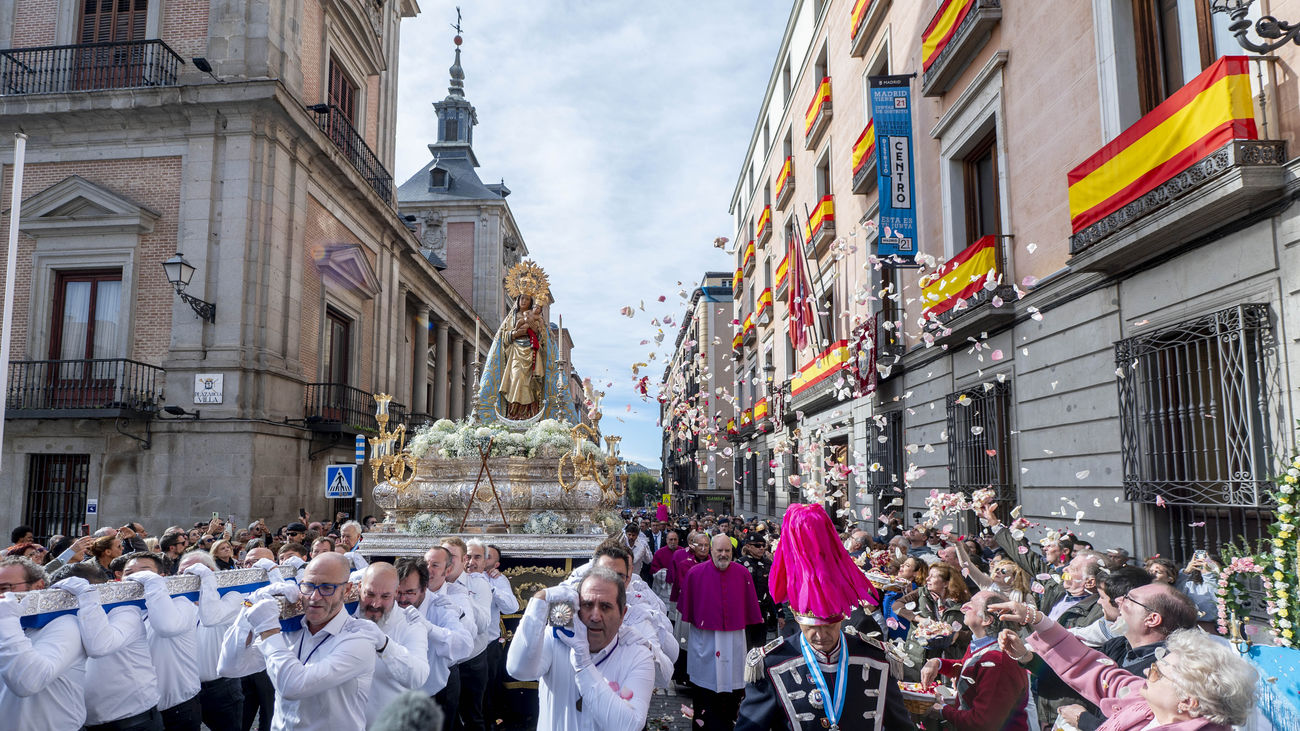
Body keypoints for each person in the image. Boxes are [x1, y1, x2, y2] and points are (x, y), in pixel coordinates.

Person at [736, 503, 909, 731]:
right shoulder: (771, 663)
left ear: (841, 619)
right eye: (811, 628)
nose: (820, 636)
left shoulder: (876, 657)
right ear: (798, 619)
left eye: (829, 627)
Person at [993, 601, 1258, 731]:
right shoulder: (1147, 706)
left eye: (1158, 672)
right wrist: (1037, 619)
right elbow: (1096, 671)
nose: (1147, 671)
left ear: (1188, 701)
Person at [219, 552, 376, 730]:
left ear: (347, 589)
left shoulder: (358, 638)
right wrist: (250, 604)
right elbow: (229, 667)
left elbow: (293, 687)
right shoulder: (292, 628)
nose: (314, 597)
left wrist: (268, 629)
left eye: (327, 588)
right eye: (308, 586)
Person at [506, 567, 655, 729]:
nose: (595, 616)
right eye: (587, 605)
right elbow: (518, 670)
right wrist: (539, 601)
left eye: (605, 607)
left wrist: (583, 664)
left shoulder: (638, 655)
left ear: (622, 614)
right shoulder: (556, 639)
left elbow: (629, 726)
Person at [54, 559, 164, 730]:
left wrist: (86, 595)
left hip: (133, 721)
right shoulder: (66, 618)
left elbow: (100, 646)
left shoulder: (125, 611)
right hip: (87, 722)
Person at [678, 533, 763, 730]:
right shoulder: (695, 573)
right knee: (705, 697)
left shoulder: (743, 574)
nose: (723, 554)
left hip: (734, 642)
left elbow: (751, 612)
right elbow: (686, 610)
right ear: (711, 550)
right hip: (705, 643)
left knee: (732, 696)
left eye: (727, 551)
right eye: (719, 550)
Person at [919, 590, 1029, 731]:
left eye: (971, 605)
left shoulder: (997, 661)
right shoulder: (982, 645)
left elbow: (983, 722)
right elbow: (969, 669)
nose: (963, 607)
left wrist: (942, 710)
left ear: (986, 620)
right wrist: (938, 663)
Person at [0, 556, 88, 730]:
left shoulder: (65, 624)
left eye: (5, 588)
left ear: (38, 586)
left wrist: (6, 619)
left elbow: (29, 682)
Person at [177, 551, 247, 731]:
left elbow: (211, 617)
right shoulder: (179, 602)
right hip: (186, 691)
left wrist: (207, 581)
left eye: (192, 572)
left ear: (209, 571)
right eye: (181, 573)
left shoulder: (232, 596)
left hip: (220, 689)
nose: (185, 579)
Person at [355, 563, 431, 727]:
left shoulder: (411, 626)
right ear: (360, 587)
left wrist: (384, 645)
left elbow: (418, 676)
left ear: (396, 592)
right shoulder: (344, 615)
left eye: (385, 596)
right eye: (370, 594)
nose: (375, 603)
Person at [394, 555, 475, 707]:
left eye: (410, 592)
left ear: (424, 588)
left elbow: (465, 644)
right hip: (396, 693)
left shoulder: (440, 606)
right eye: (398, 592)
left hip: (433, 695)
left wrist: (430, 629)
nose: (402, 599)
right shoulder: (388, 600)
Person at [442, 537, 493, 731]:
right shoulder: (434, 581)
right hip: (444, 661)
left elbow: (483, 625)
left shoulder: (477, 584)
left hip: (471, 661)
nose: (447, 560)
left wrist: (463, 597)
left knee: (472, 717)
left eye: (452, 556)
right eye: (444, 555)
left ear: (464, 560)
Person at [466, 540, 519, 719]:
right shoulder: (456, 576)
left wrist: (490, 588)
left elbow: (511, 607)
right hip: (461, 646)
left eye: (480, 557)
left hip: (488, 647)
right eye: (469, 556)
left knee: (486, 695)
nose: (472, 561)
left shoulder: (496, 579)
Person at [893, 563, 971, 676]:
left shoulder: (964, 602)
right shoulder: (921, 593)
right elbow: (897, 605)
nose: (927, 579)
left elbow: (974, 633)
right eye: (928, 575)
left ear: (946, 583)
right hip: (918, 658)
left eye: (933, 576)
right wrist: (918, 619)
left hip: (947, 660)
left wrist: (958, 635)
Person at [734, 533, 774, 649]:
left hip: (763, 610)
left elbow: (772, 589)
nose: (761, 548)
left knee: (761, 646)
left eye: (763, 545)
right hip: (746, 611)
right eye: (757, 545)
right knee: (746, 646)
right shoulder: (740, 564)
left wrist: (779, 613)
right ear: (748, 546)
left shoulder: (768, 563)